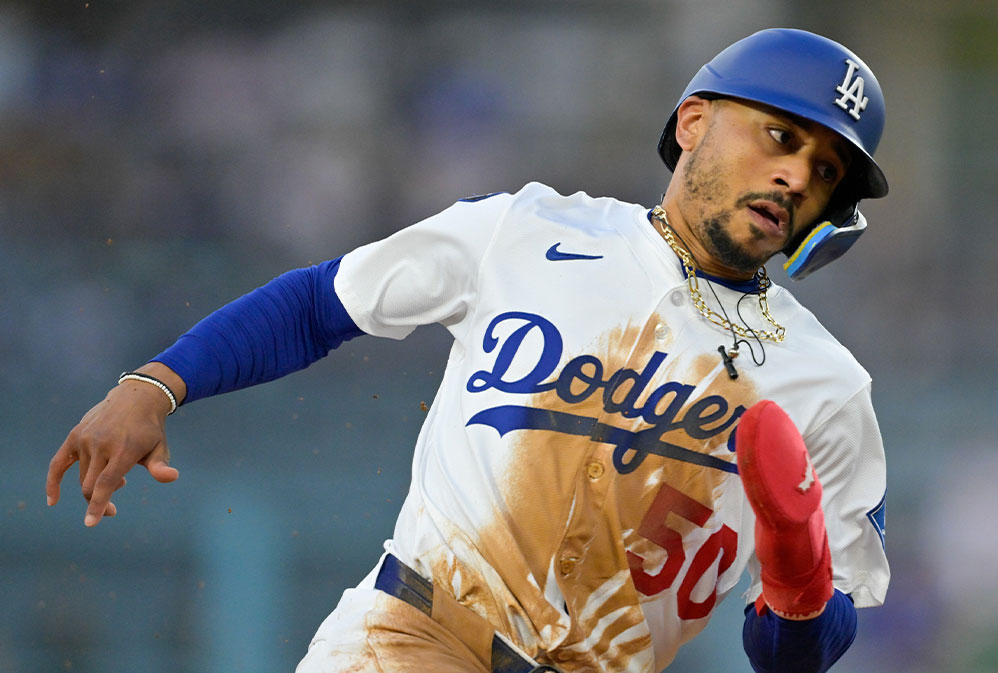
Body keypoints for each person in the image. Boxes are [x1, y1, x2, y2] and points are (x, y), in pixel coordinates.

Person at [47, 28, 889, 673]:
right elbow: (319, 305)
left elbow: (794, 654)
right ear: (695, 121)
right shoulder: (526, 229)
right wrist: (154, 385)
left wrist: (797, 576)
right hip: (411, 635)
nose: (797, 177)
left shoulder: (828, 386)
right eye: (782, 137)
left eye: (824, 171)